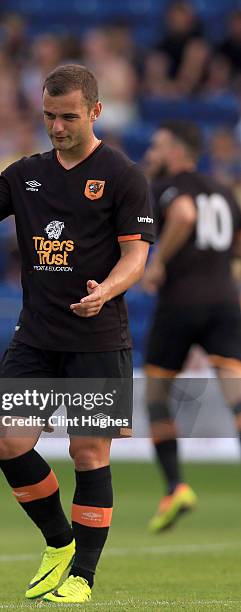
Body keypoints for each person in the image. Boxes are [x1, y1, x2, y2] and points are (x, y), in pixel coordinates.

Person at [0, 64, 154, 604]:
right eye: (49, 116)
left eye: (68, 116)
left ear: (95, 111)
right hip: (36, 337)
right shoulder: (26, 173)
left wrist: (106, 290)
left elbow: (136, 258)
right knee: (8, 441)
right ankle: (58, 542)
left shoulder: (123, 175)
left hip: (98, 338)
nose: (57, 127)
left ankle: (83, 577)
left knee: (88, 453)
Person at [142, 120, 241, 534]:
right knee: (236, 401)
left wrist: (159, 261)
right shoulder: (224, 191)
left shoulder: (171, 188)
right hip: (225, 300)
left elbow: (183, 214)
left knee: (155, 395)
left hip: (181, 303)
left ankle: (175, 487)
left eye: (159, 144)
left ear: (178, 149)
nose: (153, 151)